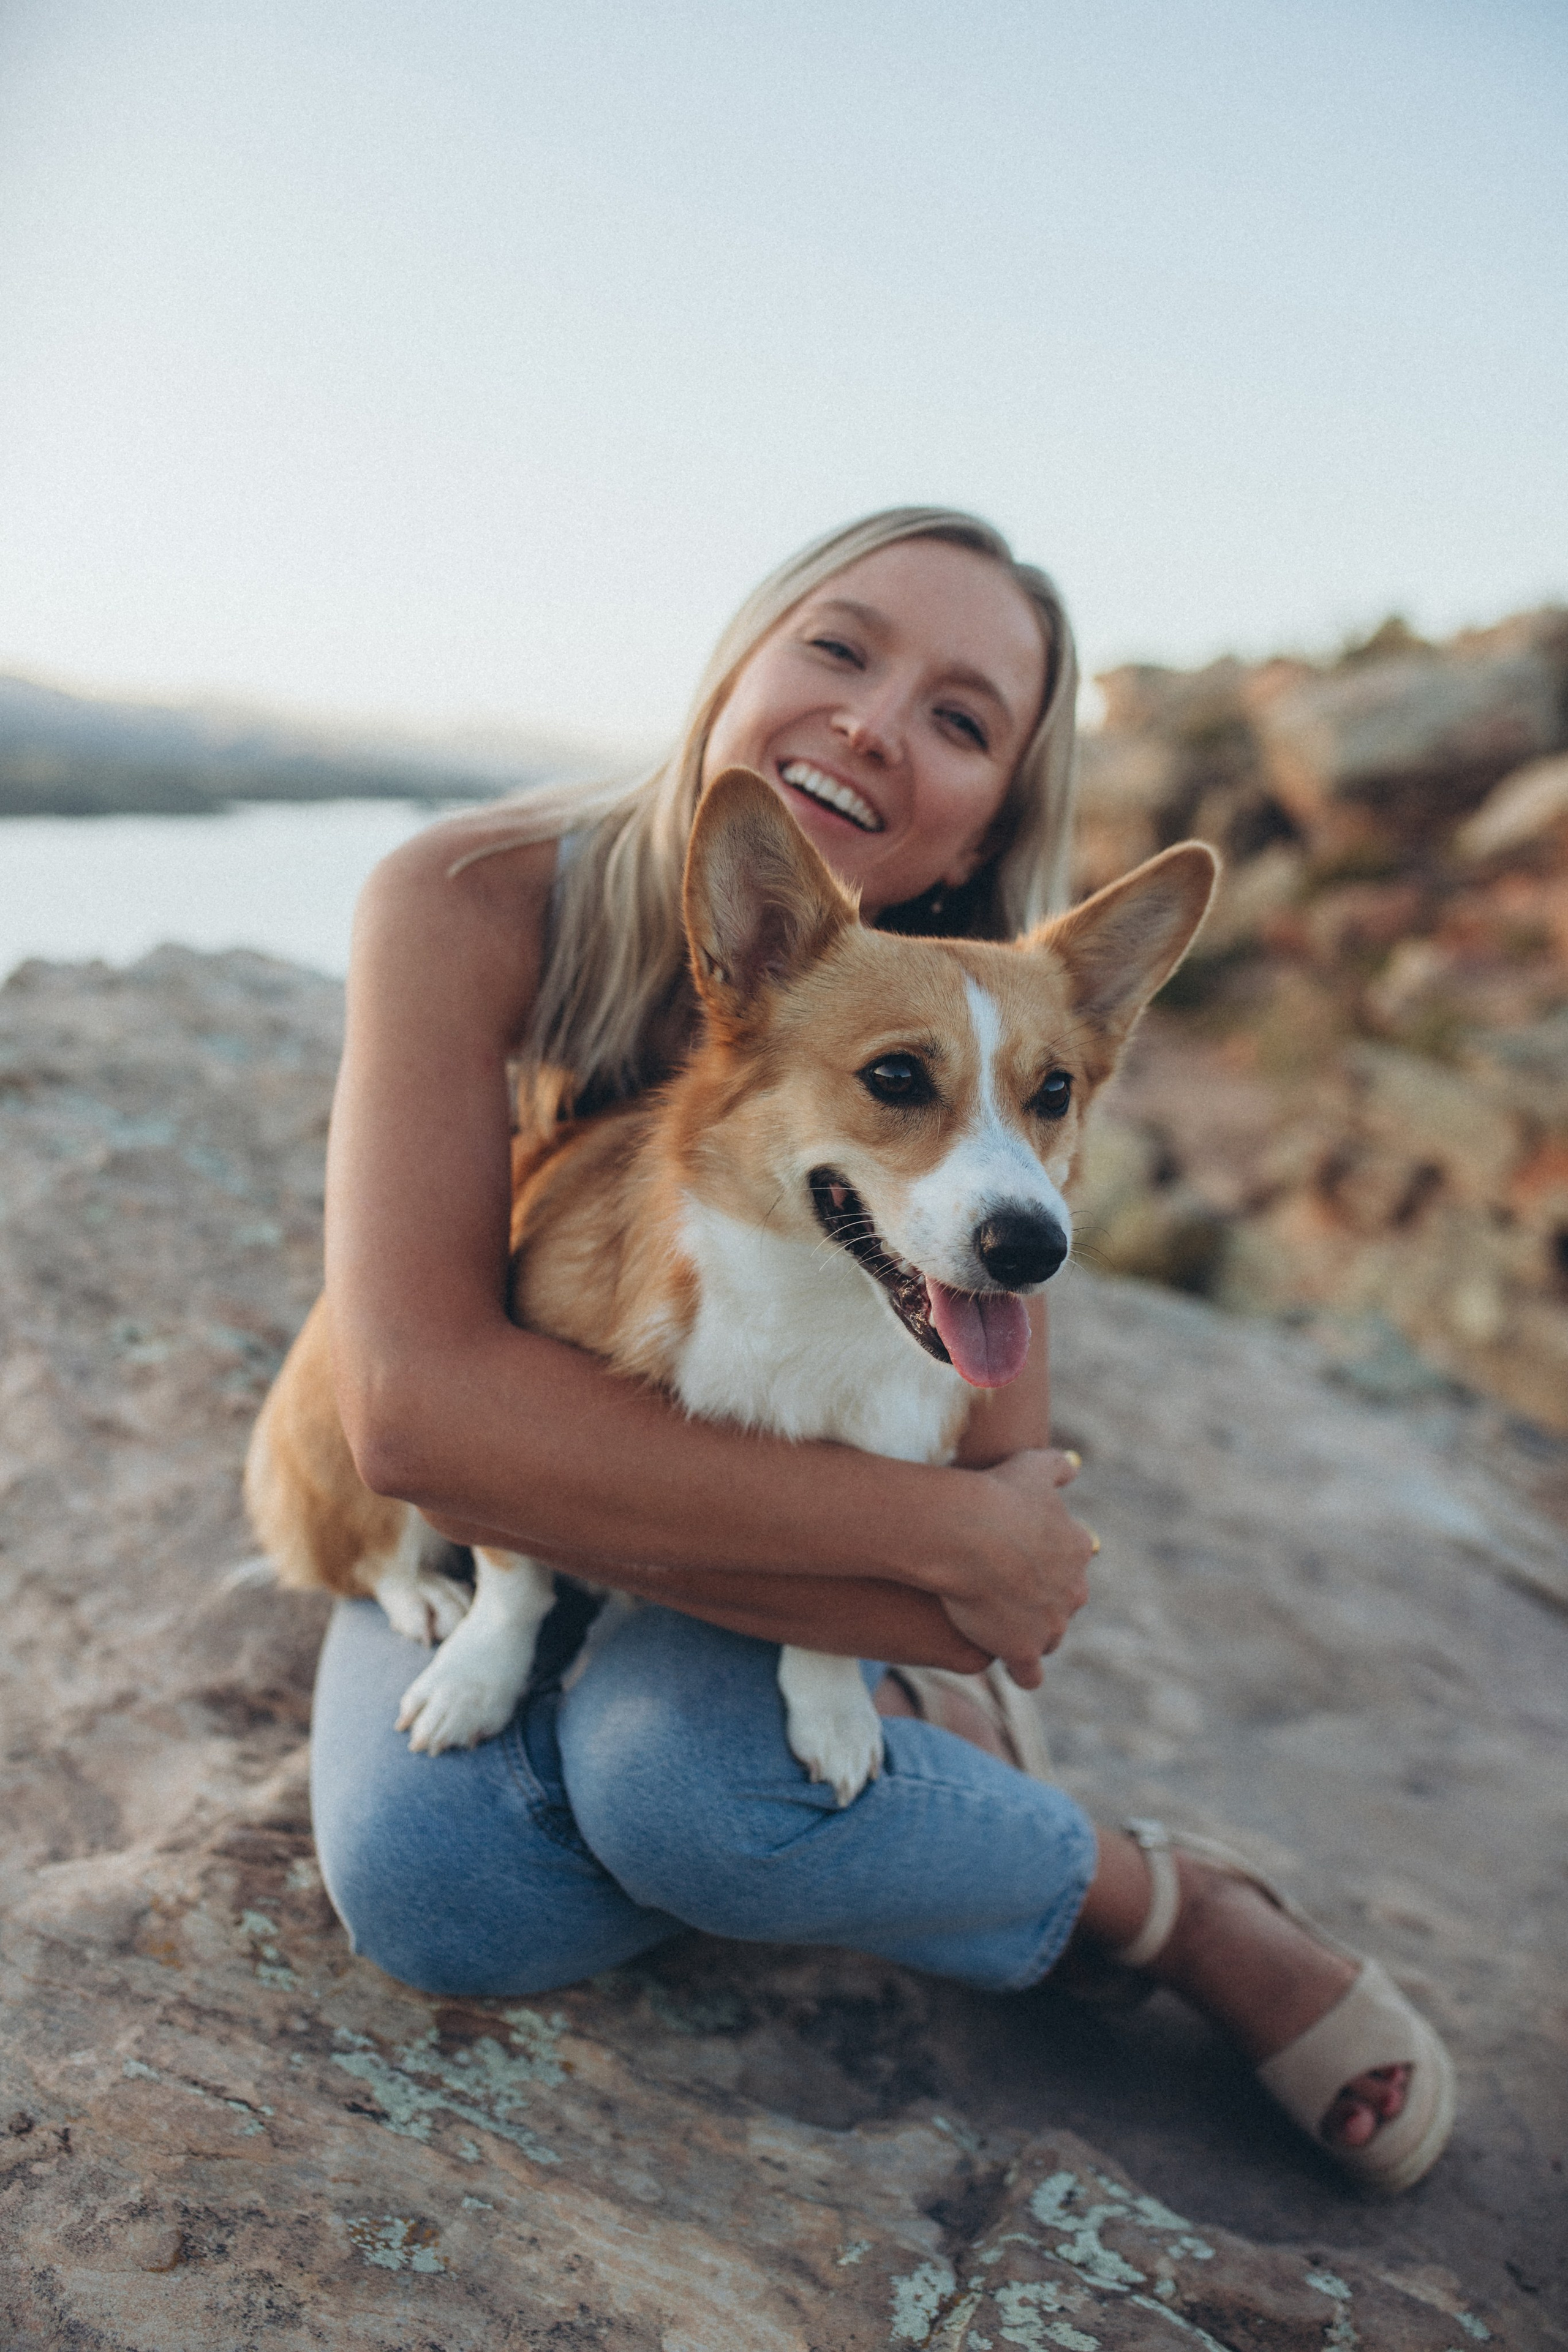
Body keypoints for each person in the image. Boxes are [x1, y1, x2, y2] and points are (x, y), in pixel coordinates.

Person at [309, 508, 1453, 2192]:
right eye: (842, 650)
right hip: (505, 1514)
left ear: (996, 805)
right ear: (746, 656)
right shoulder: (471, 897)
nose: (873, 722)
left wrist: (949, 1576)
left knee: (672, 1778)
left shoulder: (1009, 1019)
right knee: (442, 1888)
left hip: (691, 1512)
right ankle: (860, 1848)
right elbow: (415, 1418)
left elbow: (1005, 1549)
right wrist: (934, 1552)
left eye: (964, 716)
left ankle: (1149, 1903)